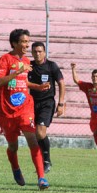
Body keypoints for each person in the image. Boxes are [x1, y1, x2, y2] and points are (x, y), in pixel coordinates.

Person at [0, 29, 49, 190]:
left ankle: (41, 178)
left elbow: (23, 82)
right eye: (24, 42)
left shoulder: (25, 60)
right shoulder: (5, 60)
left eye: (27, 41)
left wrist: (38, 87)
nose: (26, 45)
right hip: (6, 110)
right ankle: (16, 168)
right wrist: (17, 71)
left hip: (25, 108)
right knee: (13, 146)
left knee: (32, 139)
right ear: (14, 43)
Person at [28, 41, 65, 173]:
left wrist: (61, 103)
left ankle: (46, 160)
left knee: (40, 132)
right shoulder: (29, 65)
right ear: (32, 53)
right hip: (31, 103)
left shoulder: (51, 66)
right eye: (35, 51)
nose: (37, 54)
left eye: (40, 51)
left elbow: (61, 83)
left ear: (44, 52)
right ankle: (41, 162)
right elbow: (10, 63)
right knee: (34, 134)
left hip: (47, 103)